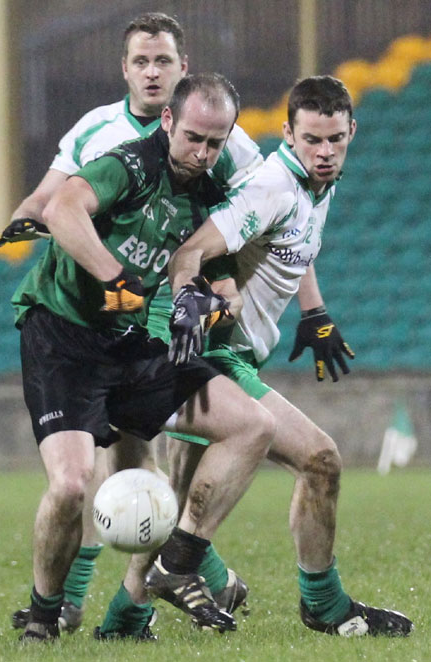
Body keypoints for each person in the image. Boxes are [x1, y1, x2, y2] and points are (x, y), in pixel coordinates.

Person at [0, 12, 262, 635]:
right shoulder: (127, 159)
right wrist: (115, 275)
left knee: (250, 425)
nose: (202, 153)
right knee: (69, 486)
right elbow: (60, 205)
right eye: (194, 138)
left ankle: (180, 567)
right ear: (169, 117)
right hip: (61, 334)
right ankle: (46, 614)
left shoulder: (214, 181)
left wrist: (210, 301)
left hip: (128, 340)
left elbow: (220, 276)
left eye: (215, 143)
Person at [164, 75, 414, 637]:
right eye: (310, 141)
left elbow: (297, 245)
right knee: (320, 459)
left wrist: (314, 312)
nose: (323, 153)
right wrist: (187, 302)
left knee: (174, 492)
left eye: (334, 140)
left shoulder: (316, 184)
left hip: (235, 353)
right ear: (287, 133)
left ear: (352, 130)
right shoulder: (272, 187)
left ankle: (135, 614)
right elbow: (192, 252)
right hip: (212, 352)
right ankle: (324, 606)